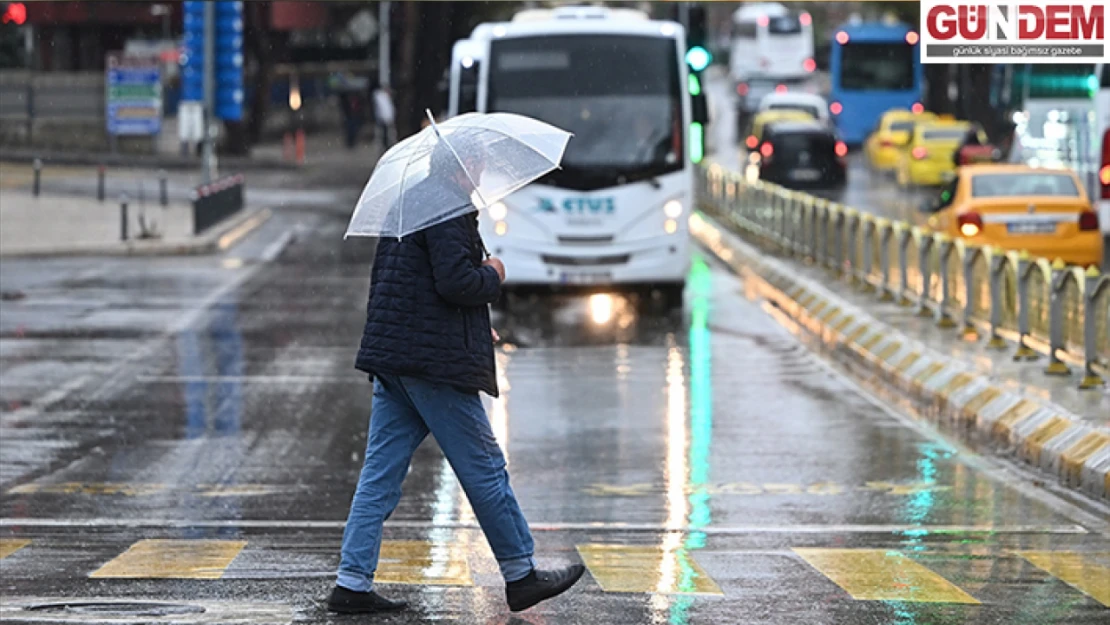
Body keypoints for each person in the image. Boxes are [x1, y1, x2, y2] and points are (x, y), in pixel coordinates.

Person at [326, 135, 586, 615]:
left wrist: (470, 325)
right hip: (433, 366)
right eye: (481, 161)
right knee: (484, 469)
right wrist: (494, 273)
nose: (484, 169)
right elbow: (455, 281)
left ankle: (352, 580)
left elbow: (411, 285)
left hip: (397, 358)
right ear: (464, 162)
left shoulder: (413, 201)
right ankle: (521, 573)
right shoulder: (446, 206)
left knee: (379, 476)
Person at [373, 84, 396, 149]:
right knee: (384, 134)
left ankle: (386, 145)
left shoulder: (385, 97)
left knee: (387, 134)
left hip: (386, 118)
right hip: (384, 119)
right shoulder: (380, 96)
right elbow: (383, 109)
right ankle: (385, 146)